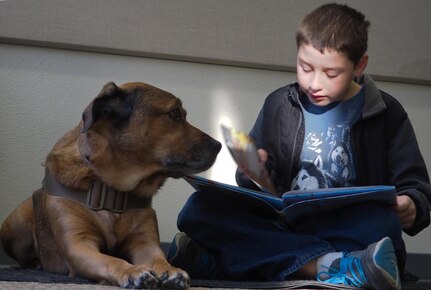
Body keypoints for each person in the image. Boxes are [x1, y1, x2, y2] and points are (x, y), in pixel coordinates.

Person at [168, 3, 431, 290]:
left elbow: (415, 186)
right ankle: (336, 265)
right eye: (305, 68)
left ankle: (224, 262)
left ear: (360, 65)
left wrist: (412, 205)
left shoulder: (386, 113)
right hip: (286, 226)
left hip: (346, 228)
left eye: (331, 74)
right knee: (198, 209)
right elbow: (259, 189)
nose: (314, 83)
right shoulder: (281, 105)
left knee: (383, 224)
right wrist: (255, 171)